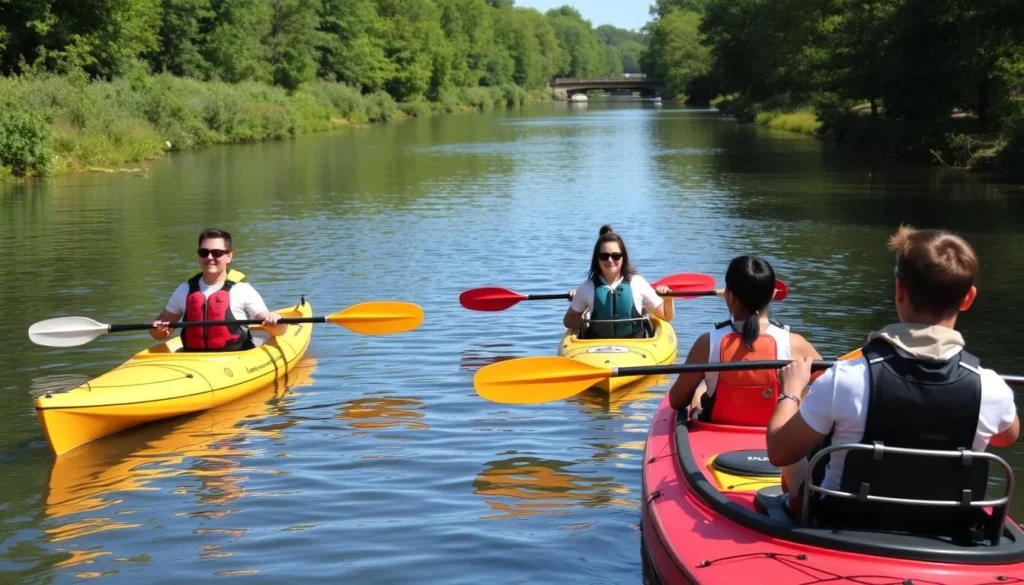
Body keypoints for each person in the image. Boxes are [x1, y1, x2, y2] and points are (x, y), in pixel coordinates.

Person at [767, 225, 1019, 529]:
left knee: (799, 454)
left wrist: (791, 391)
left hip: (840, 523)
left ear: (899, 290)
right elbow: (1007, 436)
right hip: (948, 530)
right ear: (968, 299)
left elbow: (778, 452)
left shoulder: (846, 378)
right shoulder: (991, 387)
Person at [667, 255, 821, 426]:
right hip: (776, 439)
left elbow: (676, 400)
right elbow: (828, 387)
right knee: (800, 391)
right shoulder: (796, 344)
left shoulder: (707, 343)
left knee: (700, 392)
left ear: (730, 297)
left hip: (716, 435)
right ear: (772, 295)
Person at [151, 228, 281, 351]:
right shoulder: (184, 290)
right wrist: (159, 330)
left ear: (229, 256)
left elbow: (279, 330)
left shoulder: (243, 290)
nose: (209, 258)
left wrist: (275, 321)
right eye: (203, 253)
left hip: (236, 358)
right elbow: (156, 334)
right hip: (192, 358)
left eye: (216, 253)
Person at [564, 225, 674, 339]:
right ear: (597, 259)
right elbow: (568, 321)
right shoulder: (587, 287)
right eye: (604, 256)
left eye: (616, 256)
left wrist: (668, 298)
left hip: (636, 347)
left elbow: (666, 316)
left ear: (623, 258)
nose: (610, 260)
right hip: (596, 348)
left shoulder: (638, 283)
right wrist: (579, 305)